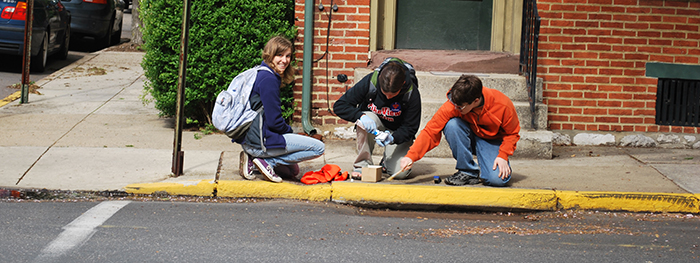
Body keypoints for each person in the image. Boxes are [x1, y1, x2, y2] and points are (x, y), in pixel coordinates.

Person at [399, 75, 520, 186]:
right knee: (452, 125)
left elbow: (512, 134)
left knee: (496, 180)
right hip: (469, 136)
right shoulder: (454, 104)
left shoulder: (503, 105)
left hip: (492, 141)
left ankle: (487, 164)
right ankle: (467, 171)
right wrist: (411, 156)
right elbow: (430, 131)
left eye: (460, 107)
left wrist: (503, 156)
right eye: (454, 103)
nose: (455, 108)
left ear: (476, 101)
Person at [238, 36, 325, 183]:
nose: (284, 60)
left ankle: (253, 159)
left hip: (252, 139)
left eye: (288, 56)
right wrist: (292, 133)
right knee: (318, 148)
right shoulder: (268, 80)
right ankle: (266, 162)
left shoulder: (261, 72)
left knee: (292, 171)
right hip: (260, 141)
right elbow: (274, 122)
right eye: (279, 55)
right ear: (269, 55)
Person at [333, 58, 421, 179]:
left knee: (401, 173)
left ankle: (386, 162)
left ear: (403, 85)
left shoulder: (411, 93)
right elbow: (340, 106)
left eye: (392, 95)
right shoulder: (370, 82)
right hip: (373, 124)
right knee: (366, 118)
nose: (388, 97)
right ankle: (362, 165)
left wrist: (392, 138)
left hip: (397, 131)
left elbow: (411, 127)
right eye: (384, 93)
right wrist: (360, 116)